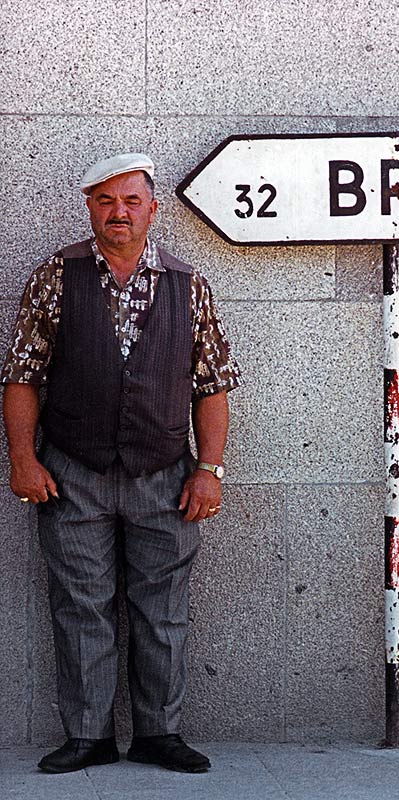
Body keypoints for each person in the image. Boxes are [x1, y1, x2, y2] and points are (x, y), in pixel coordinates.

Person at [2, 153, 241, 774]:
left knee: (161, 608)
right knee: (80, 604)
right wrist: (22, 460)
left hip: (164, 473)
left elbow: (210, 386)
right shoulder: (57, 275)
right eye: (106, 201)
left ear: (152, 209)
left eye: (131, 201)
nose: (119, 213)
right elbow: (22, 377)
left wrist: (208, 470)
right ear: (90, 208)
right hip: (72, 471)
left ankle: (160, 733)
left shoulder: (187, 285)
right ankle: (88, 736)